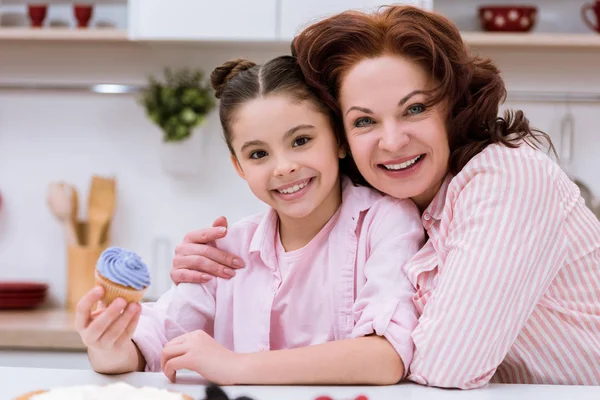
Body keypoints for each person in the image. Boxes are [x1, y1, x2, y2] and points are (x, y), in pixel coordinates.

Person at [169, 5, 600, 389]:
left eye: (415, 109)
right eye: (364, 122)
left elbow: (446, 365)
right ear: (342, 136)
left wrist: (240, 363)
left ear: (451, 104)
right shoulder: (399, 207)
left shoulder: (506, 179)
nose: (392, 142)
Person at [74, 55, 426, 385]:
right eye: (258, 154)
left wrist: (235, 366)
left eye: (301, 140)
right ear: (239, 167)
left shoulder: (385, 221)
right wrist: (108, 345)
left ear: (338, 139)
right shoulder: (228, 250)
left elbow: (386, 356)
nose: (283, 166)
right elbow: (150, 341)